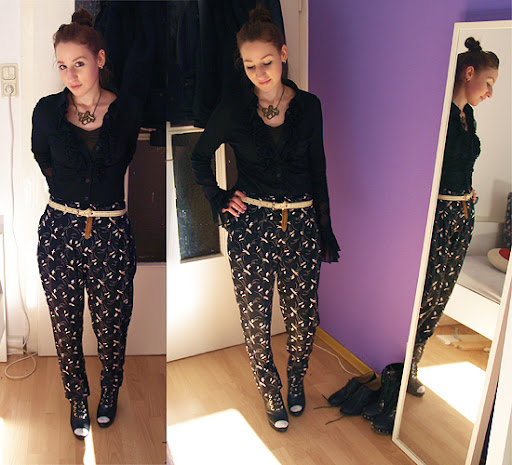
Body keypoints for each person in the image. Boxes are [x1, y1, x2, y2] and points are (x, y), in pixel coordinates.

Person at [191, 6, 340, 432]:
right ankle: (270, 389)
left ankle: (296, 378)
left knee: (302, 319)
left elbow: (318, 170)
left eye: (267, 62)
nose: (259, 73)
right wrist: (220, 199)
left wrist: (324, 229)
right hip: (252, 228)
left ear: (284, 55)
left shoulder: (308, 107)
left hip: (302, 225)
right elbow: (199, 158)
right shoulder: (234, 110)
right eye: (250, 65)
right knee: (256, 320)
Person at [32, 9, 142, 439]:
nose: (71, 75)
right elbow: (44, 159)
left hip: (112, 233)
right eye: (62, 66)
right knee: (64, 324)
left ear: (100, 58)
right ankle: (77, 397)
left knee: (112, 324)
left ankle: (109, 391)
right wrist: (73, 197)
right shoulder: (46, 112)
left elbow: (124, 158)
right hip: (59, 232)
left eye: (78, 63)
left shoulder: (127, 111)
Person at [408, 37, 499, 396]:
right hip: (440, 214)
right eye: (488, 83)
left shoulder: (467, 117)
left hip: (463, 213)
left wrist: (468, 191)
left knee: (442, 294)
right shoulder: (439, 112)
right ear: (469, 73)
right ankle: (402, 363)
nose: (490, 92)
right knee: (427, 291)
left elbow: (461, 163)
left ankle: (414, 364)